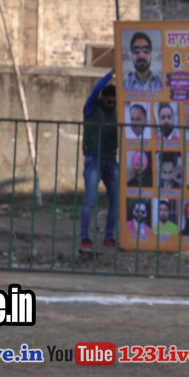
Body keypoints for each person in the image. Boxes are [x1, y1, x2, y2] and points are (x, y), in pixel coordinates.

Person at [80, 80, 118, 251]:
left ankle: (109, 237)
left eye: (115, 102)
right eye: (109, 101)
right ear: (102, 98)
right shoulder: (91, 108)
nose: (112, 105)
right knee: (90, 199)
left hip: (110, 158)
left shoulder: (117, 112)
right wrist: (110, 74)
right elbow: (96, 88)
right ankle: (84, 237)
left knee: (115, 201)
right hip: (93, 158)